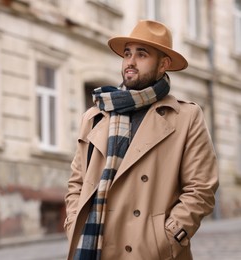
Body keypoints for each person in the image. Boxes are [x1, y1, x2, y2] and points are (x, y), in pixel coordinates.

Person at [64, 20, 219, 260]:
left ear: (163, 65)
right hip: (96, 247)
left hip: (153, 252)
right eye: (127, 54)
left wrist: (168, 237)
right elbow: (77, 183)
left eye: (142, 54)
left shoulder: (186, 117)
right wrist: (74, 222)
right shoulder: (95, 116)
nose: (130, 62)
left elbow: (202, 189)